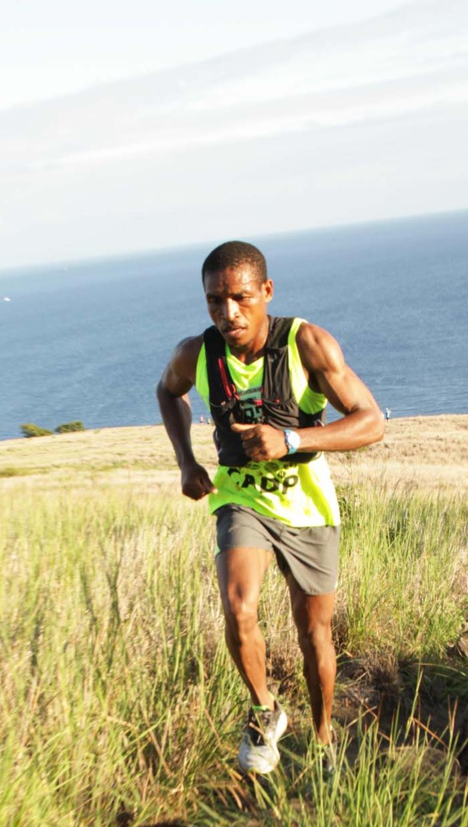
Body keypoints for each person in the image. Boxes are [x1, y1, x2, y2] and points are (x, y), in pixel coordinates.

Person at [156, 241, 384, 774]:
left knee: (314, 634)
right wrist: (186, 462)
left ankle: (323, 739)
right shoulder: (196, 354)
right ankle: (265, 711)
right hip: (241, 497)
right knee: (238, 607)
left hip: (307, 506)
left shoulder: (307, 344)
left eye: (240, 297)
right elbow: (168, 392)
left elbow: (371, 421)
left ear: (267, 291)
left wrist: (291, 439)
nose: (228, 312)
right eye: (215, 300)